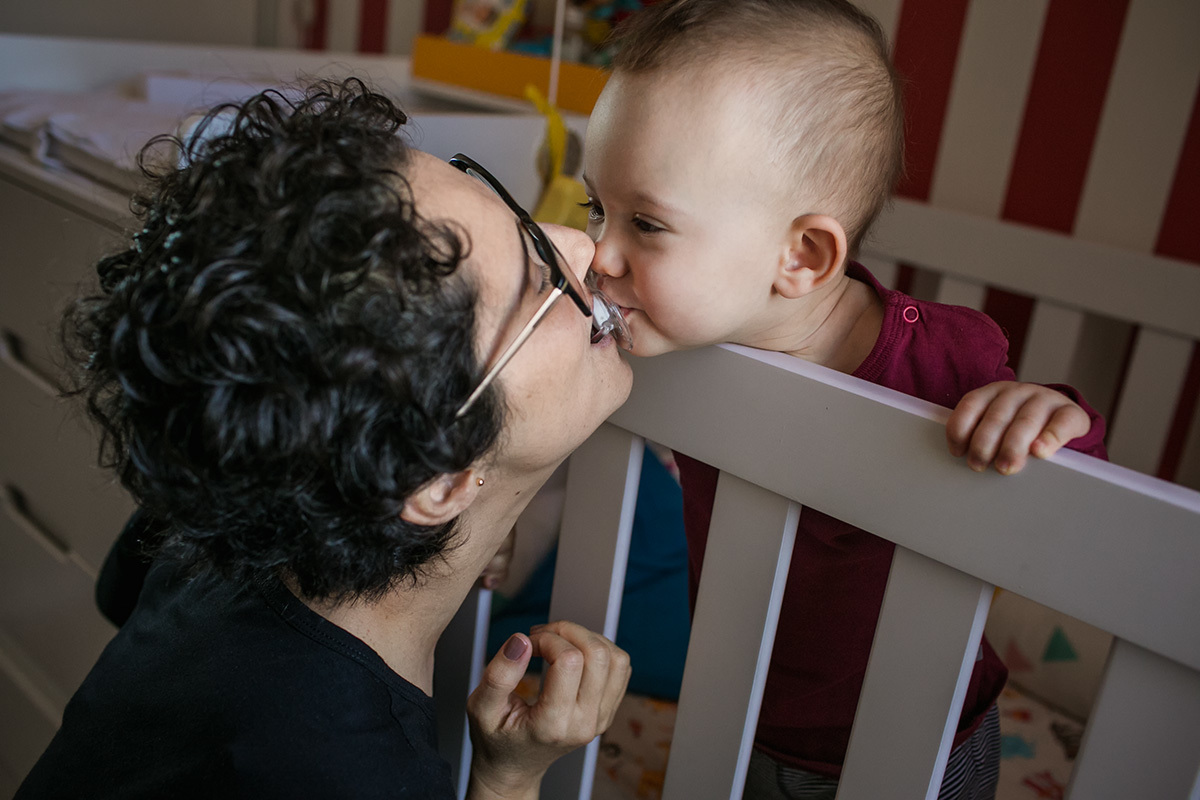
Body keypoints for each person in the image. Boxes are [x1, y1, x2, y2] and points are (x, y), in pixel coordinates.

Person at [18, 78, 635, 799]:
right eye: (536, 281)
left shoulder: (232, 522)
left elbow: (121, 591)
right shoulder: (359, 773)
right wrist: (508, 781)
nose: (580, 245)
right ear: (438, 478)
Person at [581, 1, 1108, 798]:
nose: (600, 253)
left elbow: (1084, 505)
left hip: (925, 745)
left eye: (645, 223)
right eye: (597, 208)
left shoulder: (946, 362)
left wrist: (1052, 420)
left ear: (801, 255)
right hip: (737, 716)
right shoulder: (674, 339)